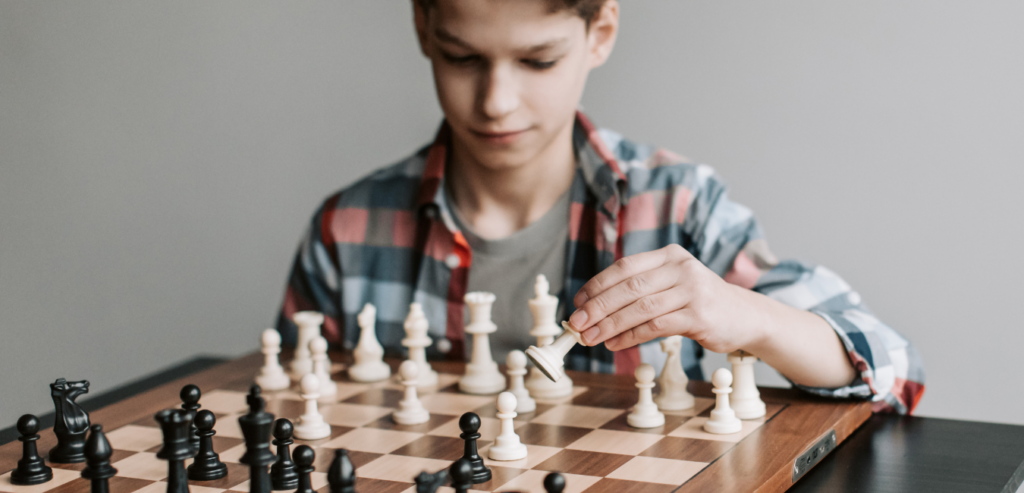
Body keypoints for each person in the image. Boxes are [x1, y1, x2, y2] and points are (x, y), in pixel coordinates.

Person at [276, 0, 924, 414]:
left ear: (600, 32)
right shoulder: (347, 229)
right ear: (422, 28)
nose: (496, 99)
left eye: (538, 59)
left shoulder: (681, 206)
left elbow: (895, 367)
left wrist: (745, 314)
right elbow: (288, 411)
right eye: (462, 56)